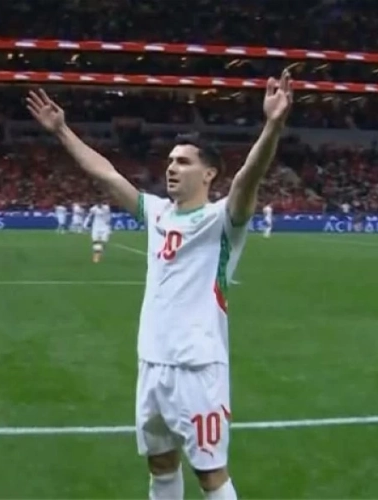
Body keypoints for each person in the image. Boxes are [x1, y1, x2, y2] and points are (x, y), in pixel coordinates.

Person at [26, 69, 293, 500]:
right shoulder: (156, 213)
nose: (171, 167)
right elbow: (107, 175)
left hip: (197, 367)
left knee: (211, 474)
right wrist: (62, 131)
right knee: (161, 465)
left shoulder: (223, 221)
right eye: (169, 160)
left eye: (183, 161)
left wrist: (273, 125)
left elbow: (247, 178)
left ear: (208, 175)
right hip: (152, 362)